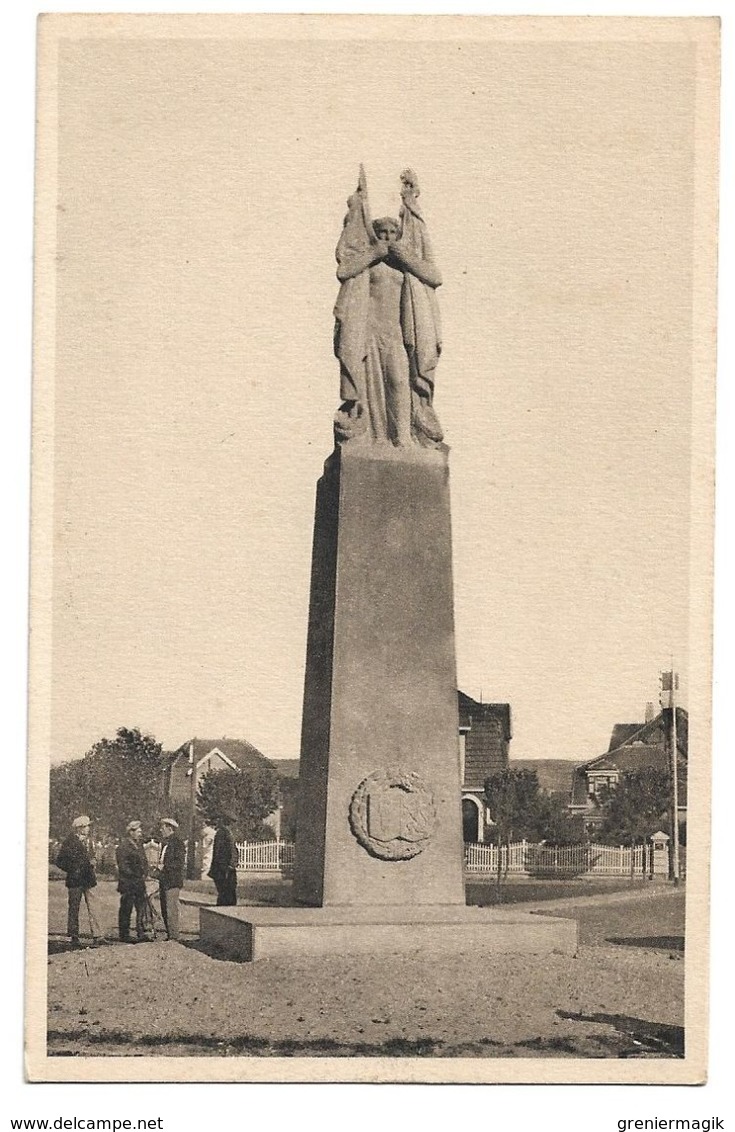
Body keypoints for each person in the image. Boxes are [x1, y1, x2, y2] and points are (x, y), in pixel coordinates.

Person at [333, 167, 443, 447]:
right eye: (381, 232)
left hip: (396, 334)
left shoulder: (403, 265)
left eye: (393, 232)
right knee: (370, 390)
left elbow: (435, 276)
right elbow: (344, 271)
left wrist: (404, 256)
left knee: (398, 383)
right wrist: (373, 253)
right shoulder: (368, 264)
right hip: (368, 333)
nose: (387, 236)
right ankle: (378, 439)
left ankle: (403, 437)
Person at [55, 815, 105, 948]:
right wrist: (74, 869)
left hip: (88, 878)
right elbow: (59, 861)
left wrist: (94, 862)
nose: (88, 829)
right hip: (75, 880)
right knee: (74, 908)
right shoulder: (69, 842)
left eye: (88, 826)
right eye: (87, 826)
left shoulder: (89, 842)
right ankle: (74, 936)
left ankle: (98, 935)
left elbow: (92, 857)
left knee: (94, 906)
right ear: (79, 828)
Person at [115, 820, 148, 943]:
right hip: (128, 883)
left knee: (141, 908)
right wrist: (136, 874)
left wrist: (145, 871)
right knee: (126, 908)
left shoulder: (139, 845)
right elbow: (123, 867)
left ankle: (141, 932)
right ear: (131, 832)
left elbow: (144, 861)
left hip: (139, 882)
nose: (140, 833)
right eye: (138, 831)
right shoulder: (123, 847)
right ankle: (124, 934)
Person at [157, 818, 185, 941]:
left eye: (162, 828)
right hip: (164, 880)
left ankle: (174, 937)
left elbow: (179, 863)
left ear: (170, 828)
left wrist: (164, 867)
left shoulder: (178, 843)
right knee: (164, 908)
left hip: (172, 881)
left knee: (171, 909)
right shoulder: (165, 843)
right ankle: (170, 935)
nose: (160, 830)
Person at [207, 814, 238, 906]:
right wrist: (224, 867)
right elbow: (219, 852)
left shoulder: (228, 833)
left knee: (229, 891)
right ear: (228, 822)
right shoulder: (222, 833)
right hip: (224, 869)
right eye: (232, 822)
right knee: (225, 892)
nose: (234, 825)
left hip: (229, 868)